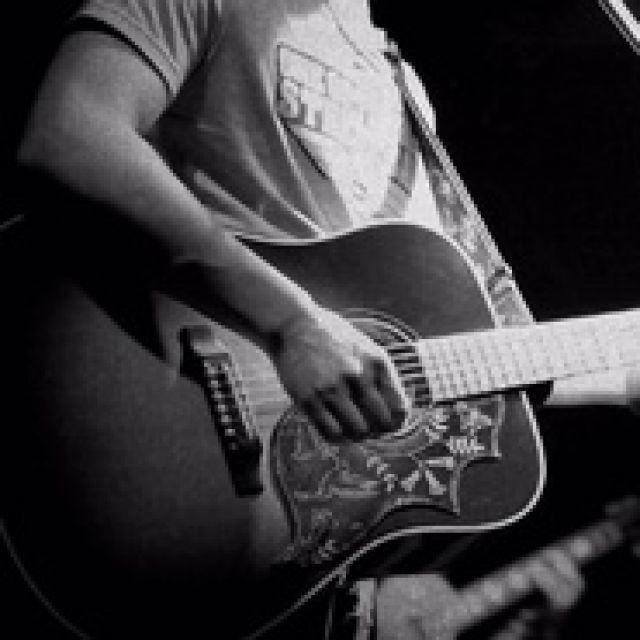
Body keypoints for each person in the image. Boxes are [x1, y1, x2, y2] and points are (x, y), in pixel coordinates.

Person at [14, 0, 640, 637]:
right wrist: (291, 324)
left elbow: (453, 357)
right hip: (142, 403)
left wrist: (623, 372)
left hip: (280, 549)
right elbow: (70, 137)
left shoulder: (400, 83)